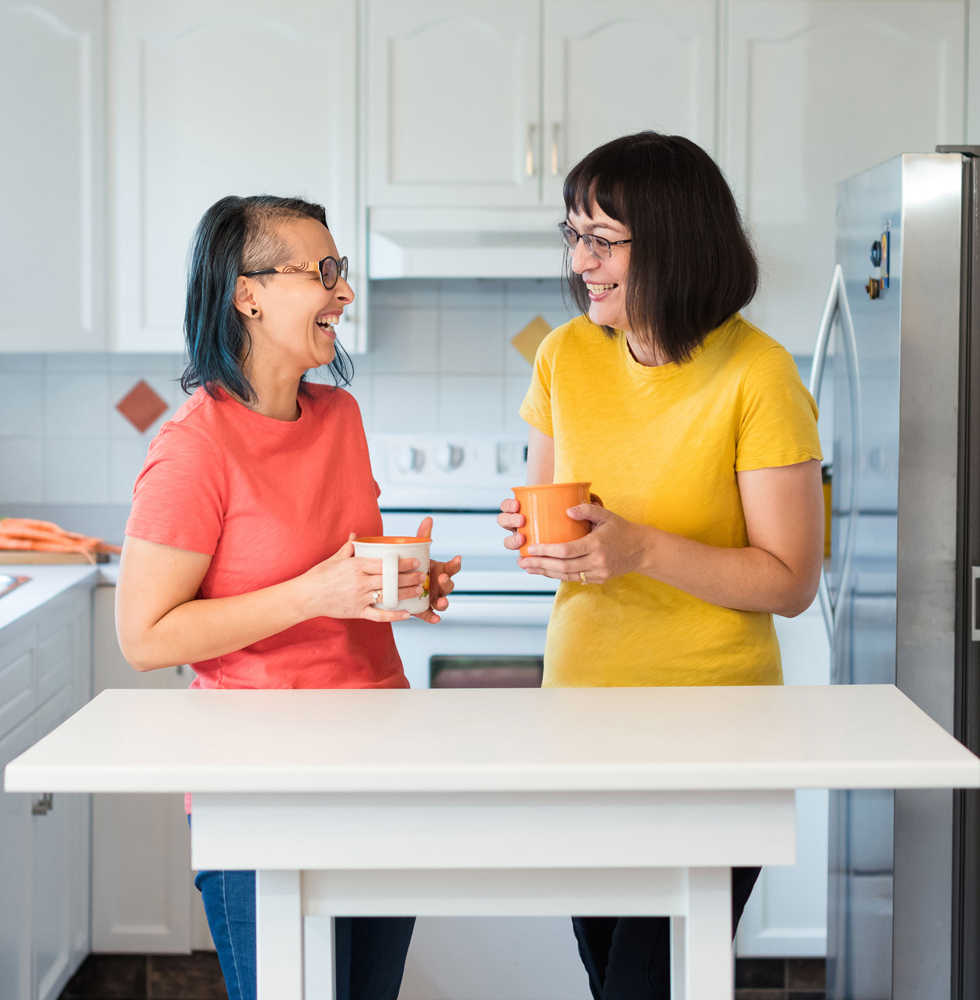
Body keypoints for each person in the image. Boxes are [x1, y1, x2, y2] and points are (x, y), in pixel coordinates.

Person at [497, 132, 824, 1000]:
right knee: (613, 980)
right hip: (580, 723)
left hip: (716, 736)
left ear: (674, 240)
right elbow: (554, 517)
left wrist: (640, 547)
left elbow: (792, 580)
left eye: (602, 239)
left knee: (649, 987)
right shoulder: (565, 355)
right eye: (572, 236)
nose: (582, 261)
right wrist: (537, 537)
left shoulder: (760, 375)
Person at [115, 194, 460, 1000]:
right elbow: (145, 636)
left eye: (343, 272)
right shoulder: (193, 447)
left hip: (380, 758)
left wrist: (400, 587)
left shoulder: (341, 416)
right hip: (259, 782)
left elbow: (344, 583)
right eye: (326, 272)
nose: (345, 294)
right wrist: (315, 593)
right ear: (248, 293)